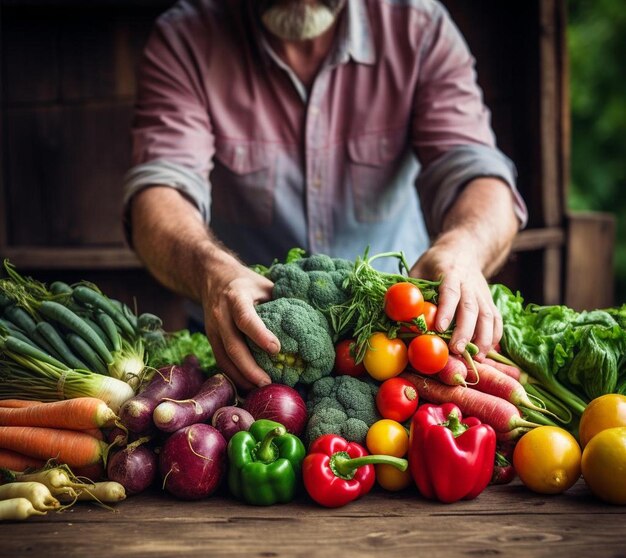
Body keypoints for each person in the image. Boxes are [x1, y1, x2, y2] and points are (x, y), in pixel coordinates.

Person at [123, 0, 528, 392]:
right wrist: (212, 270)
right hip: (245, 337)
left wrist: (464, 246)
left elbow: (478, 172)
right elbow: (159, 191)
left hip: (396, 337)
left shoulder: (418, 27)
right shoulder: (187, 37)